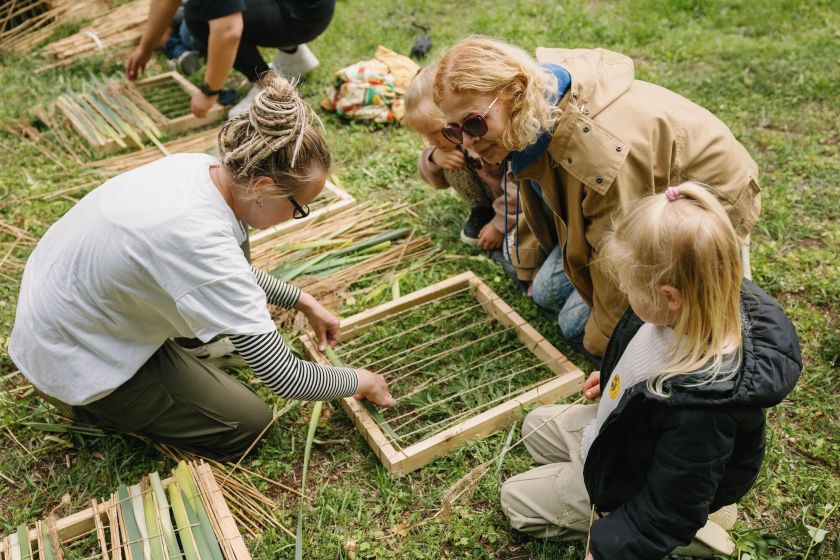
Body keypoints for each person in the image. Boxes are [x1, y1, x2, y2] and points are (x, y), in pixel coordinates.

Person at [9, 73, 394, 461]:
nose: (296, 216)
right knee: (248, 424)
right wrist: (358, 379)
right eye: (298, 207)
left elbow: (218, 271)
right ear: (261, 188)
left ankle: (182, 352)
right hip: (73, 359)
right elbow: (284, 376)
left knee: (237, 246)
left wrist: (301, 299)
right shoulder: (199, 240)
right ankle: (90, 407)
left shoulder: (199, 169)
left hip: (68, 315)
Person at [499, 183, 802, 559]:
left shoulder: (704, 409)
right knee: (535, 428)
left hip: (638, 483)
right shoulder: (687, 306)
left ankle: (697, 533)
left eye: (629, 286)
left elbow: (669, 508)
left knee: (514, 500)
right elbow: (637, 356)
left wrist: (610, 545)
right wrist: (613, 381)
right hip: (626, 440)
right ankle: (615, 479)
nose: (623, 290)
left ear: (669, 296)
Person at [433, 37, 761, 361]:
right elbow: (550, 204)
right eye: (453, 130)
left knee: (575, 329)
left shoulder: (597, 154)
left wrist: (606, 348)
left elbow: (622, 254)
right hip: (632, 201)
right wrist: (529, 264)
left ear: (516, 92)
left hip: (710, 207)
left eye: (473, 123)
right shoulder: (532, 115)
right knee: (547, 294)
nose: (467, 143)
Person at [403, 65, 545, 283]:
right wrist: (433, 159)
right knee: (450, 159)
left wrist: (499, 225)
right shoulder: (452, 142)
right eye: (426, 136)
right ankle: (482, 209)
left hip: (524, 206)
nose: (432, 142)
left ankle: (507, 231)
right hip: (495, 196)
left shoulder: (492, 142)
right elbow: (436, 180)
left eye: (434, 133)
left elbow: (518, 190)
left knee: (516, 257)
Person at [127, 0, 335, 119]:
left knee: (198, 16)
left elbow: (228, 30)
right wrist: (146, 46)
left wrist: (209, 91)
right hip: (304, 6)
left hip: (302, 16)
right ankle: (294, 56)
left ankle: (269, 85)